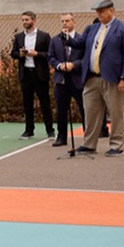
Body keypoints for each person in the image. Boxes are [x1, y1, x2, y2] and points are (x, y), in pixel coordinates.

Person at [69, 0, 124, 156]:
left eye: (102, 11)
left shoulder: (123, 29)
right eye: (97, 12)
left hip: (113, 78)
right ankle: (89, 144)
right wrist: (67, 39)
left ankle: (117, 145)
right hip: (92, 78)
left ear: (111, 11)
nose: (99, 15)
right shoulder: (92, 28)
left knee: (117, 112)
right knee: (91, 112)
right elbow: (79, 43)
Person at [10, 11, 55, 140]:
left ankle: (50, 130)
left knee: (45, 102)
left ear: (34, 20)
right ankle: (29, 130)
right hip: (25, 74)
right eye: (23, 20)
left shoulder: (44, 36)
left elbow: (50, 54)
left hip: (40, 74)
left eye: (27, 20)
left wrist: (37, 54)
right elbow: (13, 54)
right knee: (27, 103)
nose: (24, 22)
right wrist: (20, 54)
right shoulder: (19, 37)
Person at [49, 13, 86, 149]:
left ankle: (87, 138)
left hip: (77, 79)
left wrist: (74, 65)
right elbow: (51, 57)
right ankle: (62, 137)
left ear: (74, 22)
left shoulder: (81, 39)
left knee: (84, 109)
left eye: (68, 20)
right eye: (62, 21)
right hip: (61, 79)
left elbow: (86, 58)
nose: (65, 23)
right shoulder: (55, 40)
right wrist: (60, 65)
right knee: (61, 110)